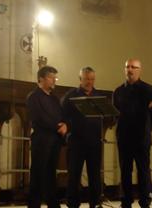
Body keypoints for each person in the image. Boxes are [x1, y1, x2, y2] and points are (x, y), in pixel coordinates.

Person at [113, 59, 152, 208]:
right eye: (127, 67)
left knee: (143, 170)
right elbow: (115, 114)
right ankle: (126, 201)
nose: (130, 70)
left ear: (140, 70)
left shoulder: (149, 90)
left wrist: (149, 127)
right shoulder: (118, 91)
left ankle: (145, 201)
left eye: (134, 67)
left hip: (141, 137)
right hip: (124, 136)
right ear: (124, 69)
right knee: (125, 170)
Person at [62, 67, 103, 208]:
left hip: (94, 142)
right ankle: (73, 204)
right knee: (74, 175)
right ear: (80, 79)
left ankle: (95, 203)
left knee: (95, 175)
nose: (89, 82)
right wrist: (67, 133)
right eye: (86, 79)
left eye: (92, 79)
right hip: (76, 141)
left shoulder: (99, 96)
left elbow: (106, 117)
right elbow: (63, 116)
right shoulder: (70, 96)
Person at [27, 66, 68, 208]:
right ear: (41, 79)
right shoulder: (33, 97)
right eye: (51, 77)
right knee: (38, 175)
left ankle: (53, 204)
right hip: (41, 141)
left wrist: (65, 125)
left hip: (55, 141)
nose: (54, 80)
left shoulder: (55, 99)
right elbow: (39, 118)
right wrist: (59, 127)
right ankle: (34, 205)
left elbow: (62, 116)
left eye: (55, 77)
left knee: (51, 175)